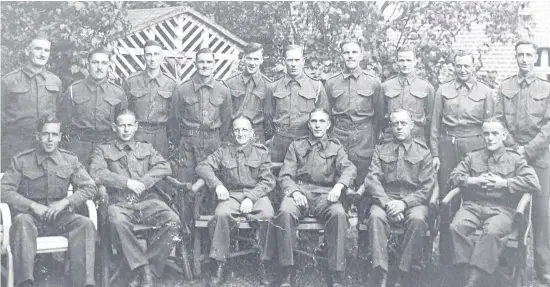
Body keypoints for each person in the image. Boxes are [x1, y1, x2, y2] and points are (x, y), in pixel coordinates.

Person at [2, 114, 97, 287]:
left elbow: (90, 187)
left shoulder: (70, 160)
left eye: (54, 135)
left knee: (85, 224)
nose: (50, 139)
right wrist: (31, 205)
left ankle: (84, 283)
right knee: (22, 221)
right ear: (37, 135)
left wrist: (66, 202)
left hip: (59, 218)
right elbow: (3, 190)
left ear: (60, 137)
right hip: (30, 219)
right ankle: (25, 283)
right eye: (45, 134)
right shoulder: (22, 161)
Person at [89, 109, 180, 287]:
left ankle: (147, 268)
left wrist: (143, 182)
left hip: (145, 202)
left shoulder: (146, 148)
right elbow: (96, 172)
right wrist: (126, 182)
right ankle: (143, 269)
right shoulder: (103, 149)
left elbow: (164, 167)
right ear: (114, 127)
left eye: (130, 125)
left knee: (173, 220)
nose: (126, 129)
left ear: (136, 127)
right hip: (119, 204)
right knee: (116, 221)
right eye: (122, 125)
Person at [447, 117, 540, 287]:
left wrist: (504, 183)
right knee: (456, 228)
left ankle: (472, 281)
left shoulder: (515, 159)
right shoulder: (473, 156)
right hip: (473, 207)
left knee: (491, 232)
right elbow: (453, 176)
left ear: (504, 136)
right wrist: (473, 181)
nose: (490, 138)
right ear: (482, 136)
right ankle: (473, 272)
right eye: (486, 134)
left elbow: (533, 182)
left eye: (495, 134)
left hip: (502, 209)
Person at [273, 108, 356, 287]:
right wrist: (294, 192)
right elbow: (285, 176)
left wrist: (338, 187)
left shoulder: (336, 147)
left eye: (321, 121)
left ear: (328, 125)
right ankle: (286, 272)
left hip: (325, 195)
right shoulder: (296, 145)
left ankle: (336, 274)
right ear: (309, 124)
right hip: (299, 192)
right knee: (285, 212)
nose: (317, 125)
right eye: (314, 121)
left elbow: (349, 169)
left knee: (339, 215)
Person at [430, 50, 494, 264]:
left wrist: (487, 156)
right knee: (448, 197)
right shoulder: (443, 90)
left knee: (475, 194)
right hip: (448, 144)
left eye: (467, 66)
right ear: (453, 66)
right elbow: (434, 125)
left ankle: (474, 254)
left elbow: (490, 125)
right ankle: (447, 256)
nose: (463, 70)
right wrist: (435, 153)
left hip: (475, 145)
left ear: (474, 66)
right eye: (459, 66)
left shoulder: (485, 92)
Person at [195, 116, 276, 286]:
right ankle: (220, 264)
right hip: (232, 195)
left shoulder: (261, 152)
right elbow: (202, 166)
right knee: (221, 214)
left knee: (267, 215)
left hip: (257, 195)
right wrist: (217, 185)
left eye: (244, 130)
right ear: (233, 133)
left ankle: (265, 264)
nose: (240, 134)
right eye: (237, 130)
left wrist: (251, 198)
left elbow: (268, 181)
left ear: (252, 133)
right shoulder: (224, 151)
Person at [495, 40, 550, 284]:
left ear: (536, 57)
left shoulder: (546, 88)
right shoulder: (505, 85)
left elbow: (549, 126)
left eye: (529, 55)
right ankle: (508, 264)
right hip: (511, 156)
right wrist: (513, 148)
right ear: (515, 57)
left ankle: (542, 267)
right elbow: (498, 120)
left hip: (539, 158)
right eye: (520, 55)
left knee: (540, 213)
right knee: (509, 208)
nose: (524, 59)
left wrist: (527, 150)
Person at [363, 109, 436, 287]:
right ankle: (381, 272)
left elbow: (427, 187)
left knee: (418, 219)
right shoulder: (381, 149)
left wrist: (404, 204)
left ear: (411, 125)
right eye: (395, 124)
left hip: (413, 200)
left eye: (403, 123)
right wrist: (389, 205)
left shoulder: (423, 152)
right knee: (375, 217)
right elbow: (372, 180)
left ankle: (404, 273)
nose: (399, 127)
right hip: (386, 198)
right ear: (391, 126)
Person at [325, 40, 384, 189]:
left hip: (365, 138)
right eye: (346, 52)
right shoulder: (331, 82)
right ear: (341, 56)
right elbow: (327, 114)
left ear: (361, 56)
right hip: (339, 136)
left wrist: (371, 135)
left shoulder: (373, 82)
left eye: (354, 52)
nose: (350, 56)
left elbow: (380, 115)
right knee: (338, 175)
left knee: (363, 179)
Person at [169, 47, 232, 183]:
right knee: (186, 182)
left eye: (209, 62)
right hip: (188, 143)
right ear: (195, 64)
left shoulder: (223, 90)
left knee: (212, 182)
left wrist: (216, 138)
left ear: (214, 64)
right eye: (201, 62)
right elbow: (174, 119)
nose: (205, 65)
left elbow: (226, 120)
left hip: (213, 143)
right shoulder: (182, 89)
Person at [58, 47, 128, 168]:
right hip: (79, 148)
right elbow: (63, 122)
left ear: (109, 65)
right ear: (88, 64)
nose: (99, 67)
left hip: (107, 148)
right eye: (95, 62)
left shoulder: (118, 93)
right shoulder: (73, 90)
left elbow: (123, 125)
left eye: (104, 63)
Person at [1, 35, 63, 171]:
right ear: (27, 51)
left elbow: (59, 114)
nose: (42, 54)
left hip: (44, 145)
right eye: (38, 49)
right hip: (16, 145)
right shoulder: (9, 81)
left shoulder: (55, 82)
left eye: (46, 50)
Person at [267, 45, 329, 163]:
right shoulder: (273, 87)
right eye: (290, 60)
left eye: (297, 60)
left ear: (303, 61)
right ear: (284, 61)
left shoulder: (317, 86)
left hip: (306, 141)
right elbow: (268, 117)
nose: (293, 64)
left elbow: (324, 117)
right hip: (280, 143)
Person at [124, 40, 177, 158]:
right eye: (149, 54)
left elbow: (174, 116)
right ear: (144, 57)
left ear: (162, 57)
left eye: (156, 54)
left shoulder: (171, 84)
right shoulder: (132, 81)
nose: (152, 58)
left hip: (160, 136)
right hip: (138, 134)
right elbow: (124, 110)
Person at [381, 45, 435, 143]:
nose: (405, 64)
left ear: (415, 61)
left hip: (417, 140)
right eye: (401, 60)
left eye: (409, 60)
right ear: (397, 62)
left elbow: (430, 118)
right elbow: (381, 115)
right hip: (391, 139)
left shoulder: (426, 87)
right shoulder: (387, 86)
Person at [223, 43, 272, 144]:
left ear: (261, 60)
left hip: (257, 136)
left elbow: (269, 119)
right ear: (243, 58)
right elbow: (224, 114)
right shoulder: (230, 82)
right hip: (234, 136)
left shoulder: (268, 85)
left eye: (256, 59)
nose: (252, 63)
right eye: (249, 58)